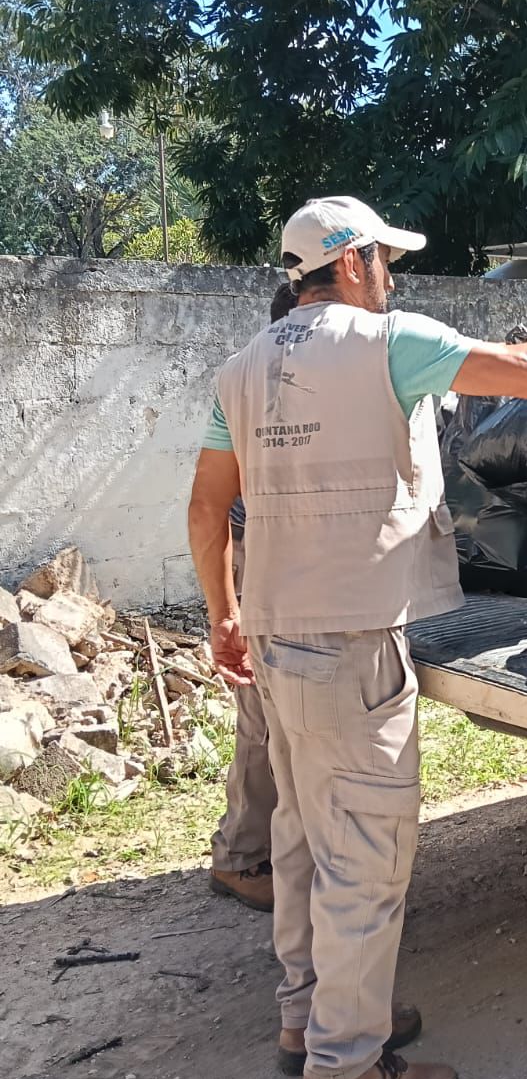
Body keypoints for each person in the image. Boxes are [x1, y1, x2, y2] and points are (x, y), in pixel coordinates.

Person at [188, 195, 527, 1079]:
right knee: (366, 857)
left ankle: (310, 1022)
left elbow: (207, 508)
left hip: (277, 641)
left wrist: (223, 613)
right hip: (354, 647)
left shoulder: (241, 370)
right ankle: (345, 1068)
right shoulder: (388, 341)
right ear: (349, 263)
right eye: (385, 261)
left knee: (301, 841)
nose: (393, 277)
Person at [208, 282, 299, 914]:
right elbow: (211, 505)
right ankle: (241, 858)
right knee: (263, 715)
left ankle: (269, 849)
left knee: (273, 713)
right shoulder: (266, 383)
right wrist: (227, 612)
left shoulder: (263, 376)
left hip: (270, 555)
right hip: (263, 555)